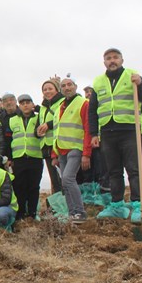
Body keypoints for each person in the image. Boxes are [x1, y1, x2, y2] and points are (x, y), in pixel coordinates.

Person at [89, 48, 142, 223]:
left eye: (115, 57)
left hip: (129, 131)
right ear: (104, 62)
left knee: (133, 170)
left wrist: (141, 84)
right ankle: (117, 206)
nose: (112, 61)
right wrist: (93, 133)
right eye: (108, 58)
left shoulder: (132, 75)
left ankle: (137, 205)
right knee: (113, 171)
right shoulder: (98, 82)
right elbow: (92, 110)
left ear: (122, 60)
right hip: (107, 131)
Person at [52, 77, 92, 224]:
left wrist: (86, 153)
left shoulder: (83, 103)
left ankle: (80, 212)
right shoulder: (60, 107)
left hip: (76, 148)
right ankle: (72, 213)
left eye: (69, 85)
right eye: (63, 86)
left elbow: (88, 128)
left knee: (68, 178)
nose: (67, 88)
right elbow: (56, 131)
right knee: (64, 181)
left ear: (75, 86)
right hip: (61, 149)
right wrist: (54, 154)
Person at [9, 94, 44, 220]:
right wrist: (9, 158)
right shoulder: (12, 120)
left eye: (28, 102)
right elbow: (9, 140)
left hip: (35, 157)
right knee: (19, 186)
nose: (25, 105)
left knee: (34, 187)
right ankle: (21, 213)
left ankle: (33, 213)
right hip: (19, 158)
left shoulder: (40, 118)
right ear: (19, 105)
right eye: (22, 103)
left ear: (33, 104)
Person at [36, 77, 65, 194]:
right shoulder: (42, 107)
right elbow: (38, 124)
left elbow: (64, 119)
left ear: (57, 90)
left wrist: (48, 125)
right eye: (45, 89)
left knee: (64, 177)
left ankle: (68, 203)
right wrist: (37, 132)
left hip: (60, 145)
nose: (47, 91)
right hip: (46, 147)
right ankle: (58, 206)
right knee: (54, 179)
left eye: (50, 89)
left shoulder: (62, 102)